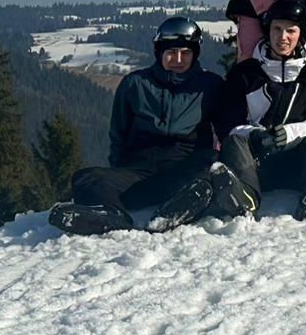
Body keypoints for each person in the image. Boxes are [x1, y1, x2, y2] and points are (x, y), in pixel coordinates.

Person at [50, 17, 231, 235]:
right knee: (86, 177)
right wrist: (119, 170)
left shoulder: (210, 85)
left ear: (195, 54)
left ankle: (175, 211)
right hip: (137, 174)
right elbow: (118, 135)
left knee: (211, 164)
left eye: (186, 53)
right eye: (171, 52)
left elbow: (226, 130)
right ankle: (109, 214)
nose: (178, 59)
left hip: (182, 171)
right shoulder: (135, 84)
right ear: (159, 52)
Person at [210, 0, 306, 221]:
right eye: (277, 29)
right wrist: (254, 134)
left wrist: (291, 132)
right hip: (256, 163)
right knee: (233, 141)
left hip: (302, 161)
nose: (283, 37)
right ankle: (244, 196)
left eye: (291, 30)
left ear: (301, 33)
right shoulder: (245, 72)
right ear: (268, 30)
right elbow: (226, 120)